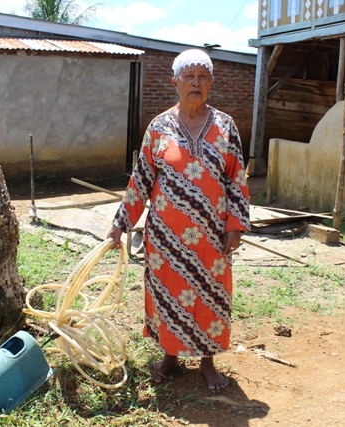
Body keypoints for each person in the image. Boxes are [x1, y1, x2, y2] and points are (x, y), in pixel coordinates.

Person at [107, 49, 251, 394]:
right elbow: (140, 179)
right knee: (167, 295)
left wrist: (235, 224)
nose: (196, 83)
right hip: (166, 238)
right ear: (175, 83)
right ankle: (170, 357)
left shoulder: (225, 126)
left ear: (212, 83)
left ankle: (206, 363)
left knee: (211, 296)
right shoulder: (158, 127)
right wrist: (121, 223)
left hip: (212, 236)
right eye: (190, 76)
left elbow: (237, 178)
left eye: (203, 77)